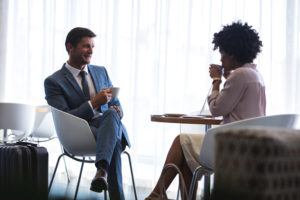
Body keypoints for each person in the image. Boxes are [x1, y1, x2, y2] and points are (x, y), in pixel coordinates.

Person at [145, 21, 265, 199]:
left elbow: (216, 109)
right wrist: (225, 79)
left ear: (233, 53)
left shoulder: (239, 75)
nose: (221, 58)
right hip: (250, 145)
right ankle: (159, 195)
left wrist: (216, 80)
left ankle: (156, 194)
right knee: (186, 154)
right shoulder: (254, 75)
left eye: (223, 53)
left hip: (231, 147)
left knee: (181, 141)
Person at [44, 27, 130, 200]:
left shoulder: (100, 71)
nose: (91, 51)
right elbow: (65, 117)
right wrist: (93, 103)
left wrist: (117, 111)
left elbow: (115, 102)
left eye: (92, 46)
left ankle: (101, 171)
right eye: (86, 46)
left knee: (112, 116)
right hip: (80, 133)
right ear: (70, 47)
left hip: (108, 125)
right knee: (114, 142)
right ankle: (109, 183)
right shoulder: (54, 81)